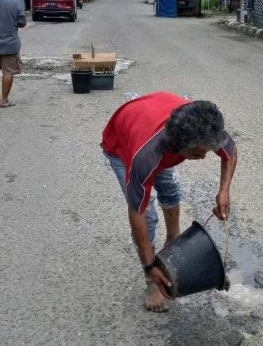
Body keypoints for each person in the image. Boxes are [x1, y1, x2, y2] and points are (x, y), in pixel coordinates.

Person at [101, 92, 237, 313]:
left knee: (171, 190)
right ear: (178, 145)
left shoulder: (205, 126)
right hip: (120, 145)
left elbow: (230, 152)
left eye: (206, 151)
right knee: (148, 217)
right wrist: (148, 265)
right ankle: (154, 278)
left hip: (151, 114)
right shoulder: (145, 157)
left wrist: (224, 191)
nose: (203, 157)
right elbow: (137, 212)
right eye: (196, 153)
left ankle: (173, 239)